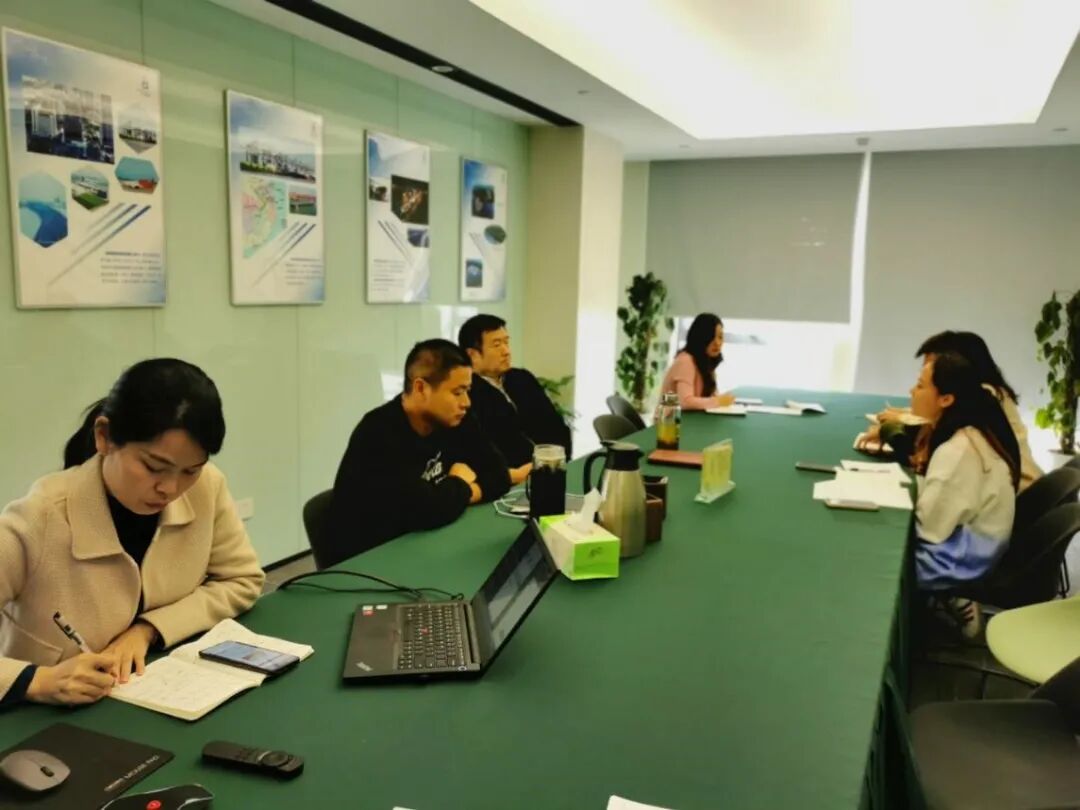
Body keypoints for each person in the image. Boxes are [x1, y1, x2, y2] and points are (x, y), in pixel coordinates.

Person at [0, 359, 265, 707]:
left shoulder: (207, 487)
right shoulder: (38, 517)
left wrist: (147, 630)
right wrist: (38, 680)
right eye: (153, 467)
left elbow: (241, 579)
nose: (170, 488)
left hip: (151, 692)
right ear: (104, 437)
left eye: (191, 471)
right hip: (35, 716)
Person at [325, 339, 511, 565]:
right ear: (421, 388)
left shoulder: (456, 419)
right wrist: (460, 482)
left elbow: (499, 474)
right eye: (457, 392)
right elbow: (427, 511)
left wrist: (462, 493)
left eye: (467, 391)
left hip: (427, 544)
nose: (466, 402)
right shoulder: (378, 434)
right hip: (371, 560)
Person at [909, 351, 1020, 638]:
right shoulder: (970, 434)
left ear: (946, 399)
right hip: (976, 547)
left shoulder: (958, 451)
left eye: (920, 385)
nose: (911, 391)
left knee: (880, 560)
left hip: (962, 560)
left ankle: (954, 597)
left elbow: (929, 530)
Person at [861, 330, 1042, 490]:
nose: (928, 370)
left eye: (934, 365)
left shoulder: (984, 397)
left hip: (1019, 493)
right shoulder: (982, 393)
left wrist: (893, 427)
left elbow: (929, 446)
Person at [458, 314, 571, 479]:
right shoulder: (467, 394)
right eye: (497, 345)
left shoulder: (522, 378)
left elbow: (555, 424)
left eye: (506, 342)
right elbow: (493, 447)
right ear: (472, 354)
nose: (506, 351)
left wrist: (558, 460)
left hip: (553, 469)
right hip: (511, 479)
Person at [660, 313, 736, 410]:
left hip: (689, 417)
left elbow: (710, 398)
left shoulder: (707, 361)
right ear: (700, 337)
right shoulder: (685, 360)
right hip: (669, 418)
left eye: (720, 337)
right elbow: (685, 401)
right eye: (711, 337)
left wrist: (723, 400)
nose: (717, 343)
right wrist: (718, 401)